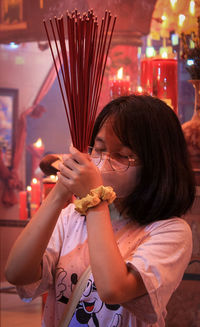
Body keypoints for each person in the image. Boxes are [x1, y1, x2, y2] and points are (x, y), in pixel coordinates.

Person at [5, 95, 195, 327]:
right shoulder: (72, 218)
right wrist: (59, 193)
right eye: (100, 149)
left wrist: (95, 199)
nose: (104, 162)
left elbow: (113, 289)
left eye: (122, 156)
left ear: (158, 164)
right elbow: (16, 273)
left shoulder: (170, 231)